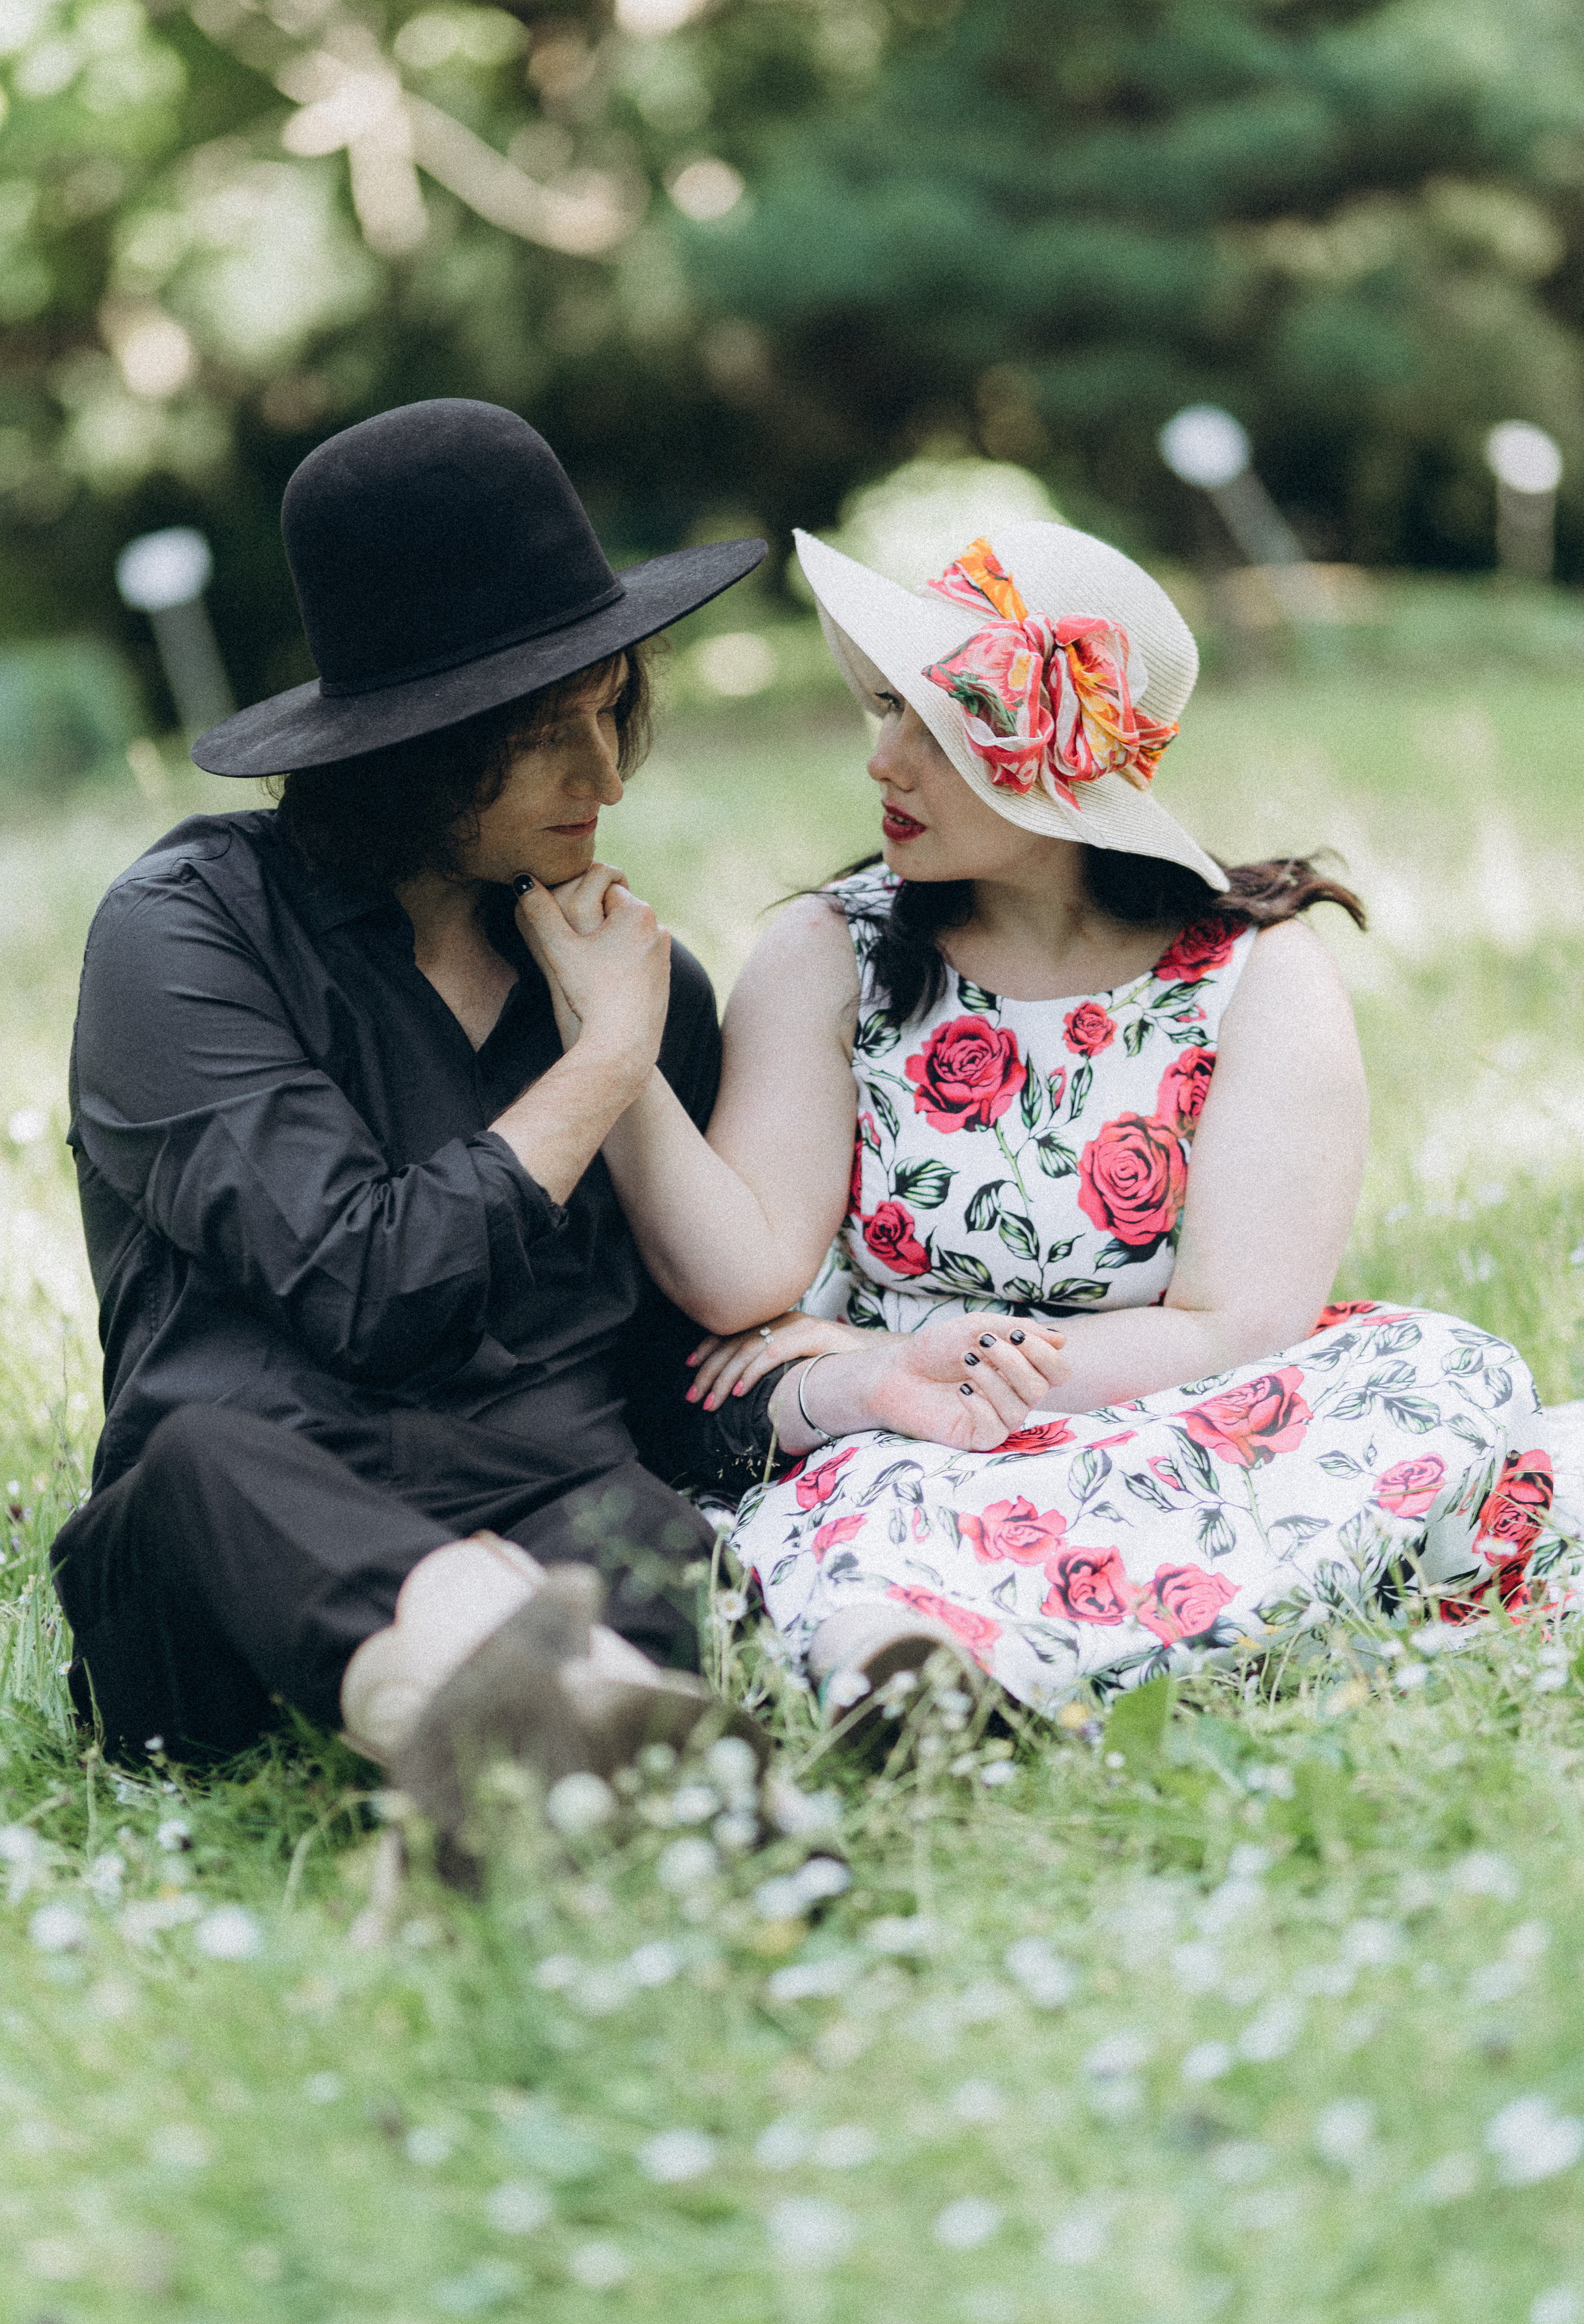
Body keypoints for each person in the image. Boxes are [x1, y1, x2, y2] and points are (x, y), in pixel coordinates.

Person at [513, 520, 1576, 1714]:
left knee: (1440, 1384)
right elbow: (740, 1279)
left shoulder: (1253, 975)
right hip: (920, 1442)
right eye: (885, 712)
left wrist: (886, 1355)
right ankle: (913, 1675)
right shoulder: (831, 952)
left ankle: (1053, 1646)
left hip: (1175, 1400)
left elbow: (1238, 1324)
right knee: (889, 1518)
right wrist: (612, 1051)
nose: (883, 762)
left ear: (1055, 759)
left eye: (937, 725)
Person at [50, 398, 783, 1827]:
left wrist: (831, 1376)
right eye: (545, 734)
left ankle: (526, 1782)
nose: (607, 778)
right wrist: (596, 1072)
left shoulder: (633, 988)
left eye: (610, 707)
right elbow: (362, 1281)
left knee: (642, 1536)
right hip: (236, 1551)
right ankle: (504, 1716)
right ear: (411, 741)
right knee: (206, 1465)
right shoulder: (185, 938)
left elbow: (652, 1368)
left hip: (553, 1513)